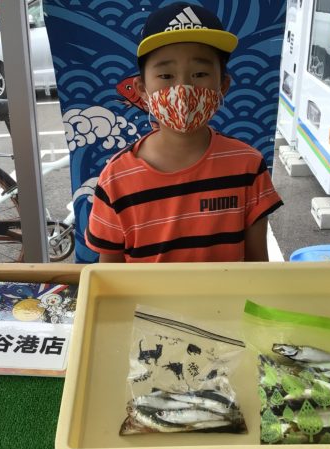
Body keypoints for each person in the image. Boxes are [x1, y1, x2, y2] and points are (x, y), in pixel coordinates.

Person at [86, 2, 282, 263]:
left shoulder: (248, 166)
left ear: (223, 85)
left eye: (200, 73)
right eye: (166, 75)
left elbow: (258, 266)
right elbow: (109, 276)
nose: (183, 88)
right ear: (142, 89)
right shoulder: (115, 178)